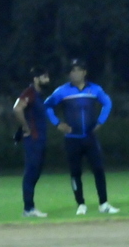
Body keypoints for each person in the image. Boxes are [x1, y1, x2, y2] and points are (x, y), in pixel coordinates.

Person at [43, 58, 120, 215]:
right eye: (72, 71)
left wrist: (100, 121)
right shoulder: (62, 91)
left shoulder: (94, 89)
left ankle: (103, 204)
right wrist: (57, 123)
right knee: (75, 172)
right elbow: (47, 106)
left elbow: (108, 103)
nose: (75, 73)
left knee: (98, 170)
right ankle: (80, 204)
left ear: (84, 72)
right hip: (72, 139)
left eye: (78, 70)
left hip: (90, 137)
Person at [12, 67, 51, 217]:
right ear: (36, 78)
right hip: (33, 139)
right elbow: (17, 109)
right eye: (44, 77)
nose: (47, 80)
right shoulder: (30, 92)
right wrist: (25, 128)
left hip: (39, 139)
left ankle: (30, 207)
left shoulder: (39, 95)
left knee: (36, 172)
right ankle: (28, 208)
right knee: (31, 172)